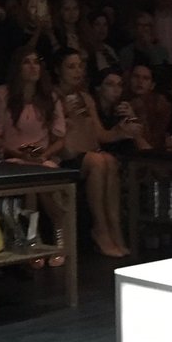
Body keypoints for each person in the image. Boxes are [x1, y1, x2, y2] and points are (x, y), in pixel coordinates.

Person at [0, 46, 69, 267]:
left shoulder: (50, 96)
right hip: (13, 158)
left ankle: (60, 237)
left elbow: (60, 137)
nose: (33, 67)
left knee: (46, 176)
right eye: (27, 62)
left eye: (36, 62)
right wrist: (17, 152)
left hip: (42, 157)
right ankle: (34, 240)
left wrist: (43, 154)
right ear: (18, 67)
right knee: (29, 180)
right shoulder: (2, 94)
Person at [53, 49, 130, 258]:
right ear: (58, 70)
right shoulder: (53, 97)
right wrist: (66, 116)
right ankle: (100, 229)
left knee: (109, 160)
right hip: (65, 156)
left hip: (89, 153)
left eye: (80, 66)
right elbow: (50, 134)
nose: (77, 71)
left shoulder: (85, 98)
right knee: (98, 160)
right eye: (71, 67)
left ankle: (114, 227)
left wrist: (121, 131)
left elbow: (100, 134)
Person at [126, 64, 171, 151]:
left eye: (145, 78)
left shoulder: (160, 104)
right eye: (136, 76)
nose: (140, 81)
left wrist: (139, 110)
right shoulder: (120, 98)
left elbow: (153, 141)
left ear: (152, 85)